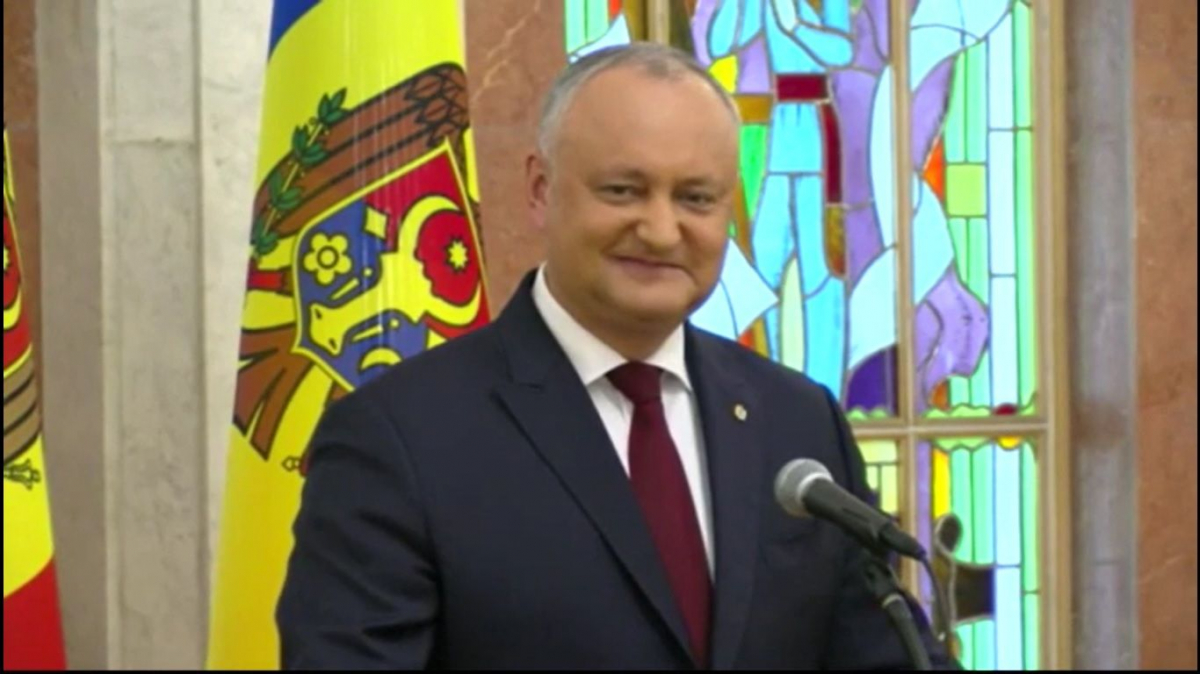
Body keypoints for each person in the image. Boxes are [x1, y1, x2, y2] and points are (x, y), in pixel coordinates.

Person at [276, 43, 950, 670]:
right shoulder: (398, 439)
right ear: (540, 189)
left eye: (695, 198)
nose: (660, 230)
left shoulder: (797, 423)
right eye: (623, 191)